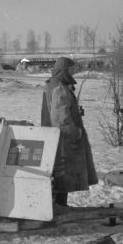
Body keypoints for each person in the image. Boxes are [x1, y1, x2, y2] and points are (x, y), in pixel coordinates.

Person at [41, 57, 98, 207]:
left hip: (52, 137)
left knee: (56, 175)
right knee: (62, 176)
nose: (74, 71)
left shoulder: (52, 84)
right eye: (71, 69)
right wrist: (75, 133)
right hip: (62, 140)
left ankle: (55, 207)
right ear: (64, 69)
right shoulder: (60, 88)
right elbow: (61, 118)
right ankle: (59, 208)